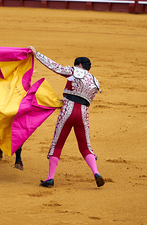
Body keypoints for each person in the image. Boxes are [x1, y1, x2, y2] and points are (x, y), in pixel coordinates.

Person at [27, 46, 104, 188]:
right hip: (83, 115)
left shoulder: (75, 71)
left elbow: (55, 67)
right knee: (85, 147)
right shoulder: (95, 82)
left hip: (67, 112)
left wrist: (37, 54)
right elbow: (84, 100)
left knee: (57, 144)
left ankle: (50, 178)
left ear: (79, 66)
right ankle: (96, 173)